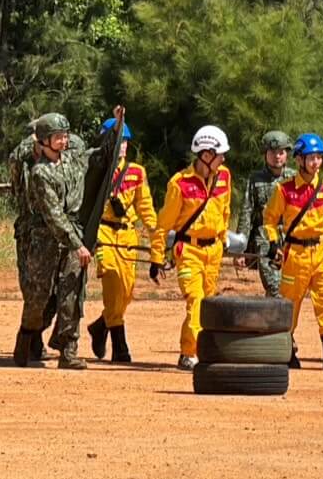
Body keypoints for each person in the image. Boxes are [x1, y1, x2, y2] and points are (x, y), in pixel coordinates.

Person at [15, 112, 97, 371]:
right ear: (44, 141)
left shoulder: (73, 160)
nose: (64, 141)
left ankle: (68, 350)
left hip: (72, 235)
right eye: (58, 137)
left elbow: (96, 154)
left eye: (65, 136)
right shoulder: (40, 173)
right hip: (45, 239)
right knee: (39, 296)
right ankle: (27, 337)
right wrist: (77, 243)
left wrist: (117, 128)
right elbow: (53, 215)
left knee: (72, 292)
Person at [151, 125, 234, 371]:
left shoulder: (225, 176)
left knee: (207, 304)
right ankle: (190, 353)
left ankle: (197, 350)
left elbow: (225, 209)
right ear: (206, 156)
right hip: (188, 252)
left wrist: (223, 236)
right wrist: (157, 257)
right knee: (196, 301)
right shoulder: (180, 184)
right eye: (220, 155)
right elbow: (162, 225)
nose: (224, 159)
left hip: (214, 252)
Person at [265, 133, 323, 369]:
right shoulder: (284, 190)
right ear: (299, 160)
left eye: (319, 158)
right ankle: (286, 349)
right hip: (296, 253)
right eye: (310, 158)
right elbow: (270, 219)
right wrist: (273, 243)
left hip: (322, 251)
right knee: (291, 304)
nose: (315, 163)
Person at [85, 118, 157, 363]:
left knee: (126, 292)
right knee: (113, 285)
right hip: (103, 233)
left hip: (128, 233)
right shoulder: (96, 169)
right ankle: (120, 345)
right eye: (118, 141)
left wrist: (156, 232)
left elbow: (145, 207)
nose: (122, 146)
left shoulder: (137, 172)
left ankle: (99, 326)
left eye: (125, 141)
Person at [238, 131, 295, 296]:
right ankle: (275, 318)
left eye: (281, 152)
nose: (277, 156)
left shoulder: (294, 178)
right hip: (265, 240)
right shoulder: (255, 179)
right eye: (272, 152)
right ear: (265, 154)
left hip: (291, 239)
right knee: (275, 287)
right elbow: (246, 212)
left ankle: (272, 319)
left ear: (287, 154)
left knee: (289, 289)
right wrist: (241, 248)